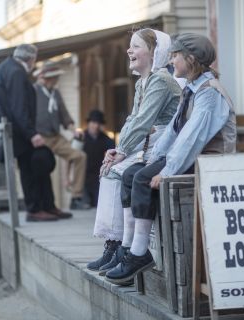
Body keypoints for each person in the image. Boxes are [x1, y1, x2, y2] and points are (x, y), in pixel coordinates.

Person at [104, 33, 237, 285]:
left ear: (191, 58)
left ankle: (139, 253)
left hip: (211, 165)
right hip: (194, 159)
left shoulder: (209, 93)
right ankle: (130, 248)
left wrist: (166, 171)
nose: (171, 60)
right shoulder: (192, 88)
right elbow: (175, 130)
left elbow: (192, 138)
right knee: (132, 174)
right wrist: (153, 159)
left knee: (143, 178)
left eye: (175, 55)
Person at [86, 28, 181, 273]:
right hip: (146, 144)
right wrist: (118, 148)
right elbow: (132, 121)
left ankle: (126, 247)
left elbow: (144, 122)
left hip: (162, 147)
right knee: (109, 171)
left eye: (136, 46)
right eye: (130, 45)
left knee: (118, 172)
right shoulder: (143, 83)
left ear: (154, 52)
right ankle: (115, 244)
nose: (129, 50)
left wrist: (124, 150)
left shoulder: (161, 80)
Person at [0, 44, 70, 222]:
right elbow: (19, 107)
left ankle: (48, 206)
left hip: (16, 129)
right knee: (31, 169)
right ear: (31, 59)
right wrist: (32, 134)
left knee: (39, 164)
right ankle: (35, 209)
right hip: (21, 131)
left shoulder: (2, 67)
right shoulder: (17, 72)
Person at [34, 62, 90, 210]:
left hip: (56, 137)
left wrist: (73, 130)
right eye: (55, 78)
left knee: (79, 156)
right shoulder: (33, 91)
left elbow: (64, 116)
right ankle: (41, 203)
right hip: (40, 137)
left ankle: (76, 197)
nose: (57, 80)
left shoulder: (56, 93)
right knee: (43, 168)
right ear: (47, 79)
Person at [81, 110, 115, 207]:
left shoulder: (106, 139)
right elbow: (72, 159)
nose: (95, 126)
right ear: (89, 123)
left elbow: (114, 153)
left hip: (98, 178)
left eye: (98, 123)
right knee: (84, 205)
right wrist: (68, 178)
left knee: (99, 204)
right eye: (93, 122)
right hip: (83, 179)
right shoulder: (81, 138)